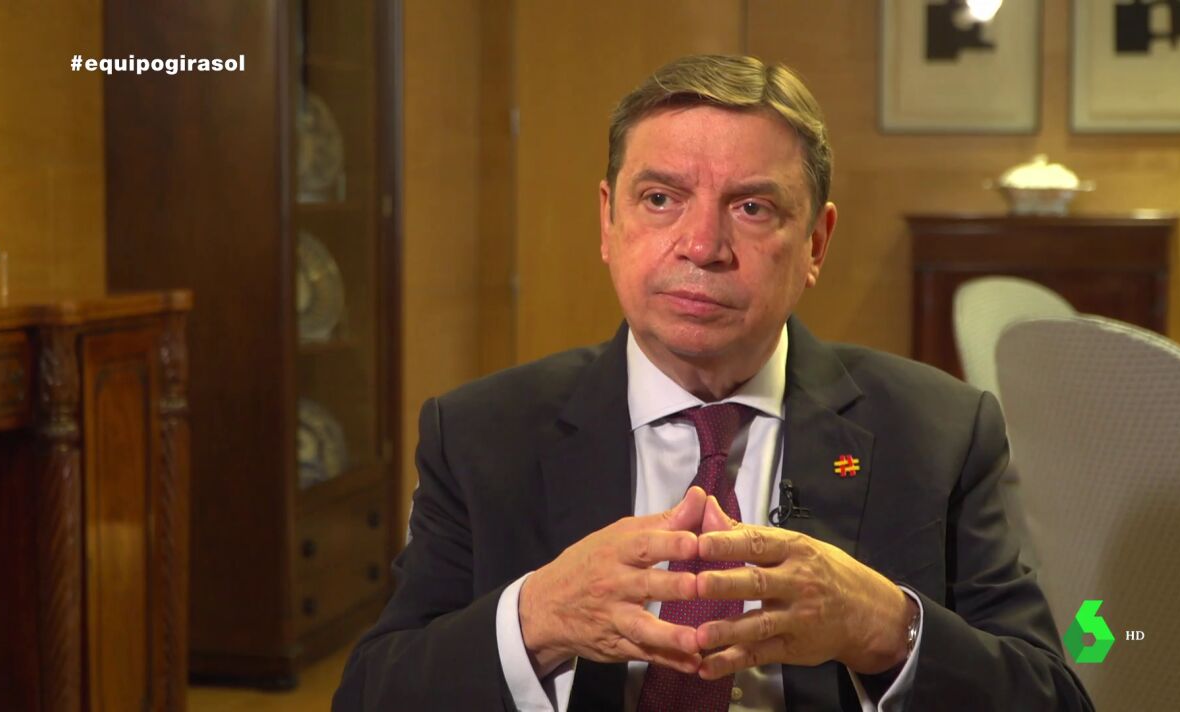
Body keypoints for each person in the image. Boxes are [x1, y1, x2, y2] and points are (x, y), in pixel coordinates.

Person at [333, 54, 1092, 711]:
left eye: (752, 208)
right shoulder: (478, 435)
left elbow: (1051, 696)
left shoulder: (941, 433)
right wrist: (537, 619)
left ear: (816, 243)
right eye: (660, 199)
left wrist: (885, 627)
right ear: (608, 222)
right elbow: (372, 693)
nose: (701, 246)